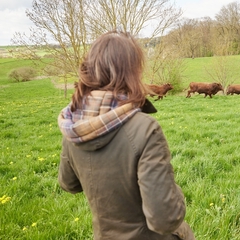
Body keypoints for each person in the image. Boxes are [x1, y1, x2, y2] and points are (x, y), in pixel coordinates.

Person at [57, 30, 195, 240]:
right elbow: (165, 219)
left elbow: (69, 184)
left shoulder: (75, 123)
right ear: (132, 71)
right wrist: (175, 192)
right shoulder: (145, 129)